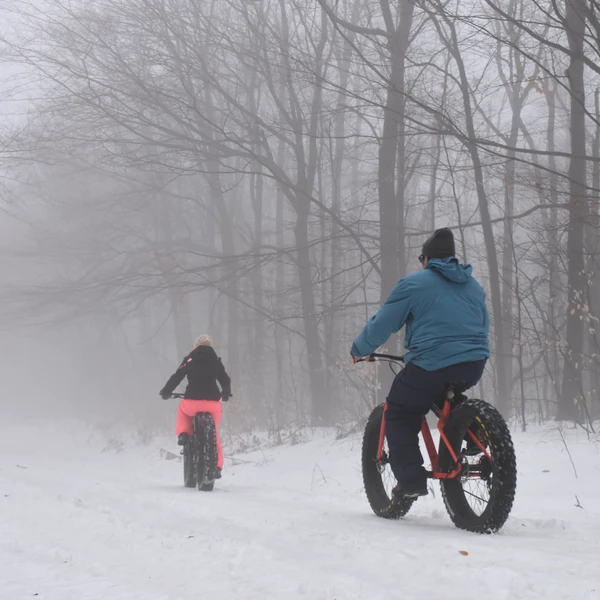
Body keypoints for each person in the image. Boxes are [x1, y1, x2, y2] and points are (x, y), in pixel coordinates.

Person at [351, 228, 489, 499]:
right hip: (474, 363)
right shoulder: (473, 286)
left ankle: (411, 481)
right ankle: (476, 429)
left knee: (401, 411)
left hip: (431, 363)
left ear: (426, 259)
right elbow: (483, 326)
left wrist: (360, 349)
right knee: (442, 393)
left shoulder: (414, 284)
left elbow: (383, 323)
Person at [160, 335, 232, 479]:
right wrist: (225, 393)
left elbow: (177, 376)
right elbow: (225, 379)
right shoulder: (216, 361)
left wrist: (166, 391)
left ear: (196, 346)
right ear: (211, 346)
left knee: (182, 409)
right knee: (214, 433)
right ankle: (217, 467)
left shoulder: (189, 359)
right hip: (213, 404)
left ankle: (184, 434)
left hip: (192, 401)